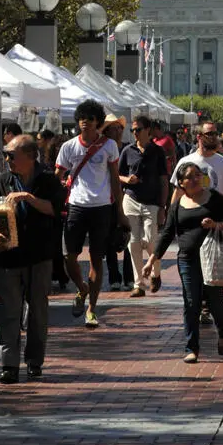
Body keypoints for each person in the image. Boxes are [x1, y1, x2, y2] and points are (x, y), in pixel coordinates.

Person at [0, 134, 64, 383]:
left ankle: (34, 361)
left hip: (39, 256)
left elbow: (54, 209)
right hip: (8, 257)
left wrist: (29, 198)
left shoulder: (48, 180)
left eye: (12, 155)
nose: (7, 159)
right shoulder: (1, 181)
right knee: (8, 311)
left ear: (30, 157)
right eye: (6, 155)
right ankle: (8, 365)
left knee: (37, 311)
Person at [143, 160, 223, 362]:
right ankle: (192, 348)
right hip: (187, 259)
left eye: (198, 175)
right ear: (181, 183)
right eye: (190, 177)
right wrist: (152, 260)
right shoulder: (177, 206)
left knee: (214, 299)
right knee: (191, 302)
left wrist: (215, 224)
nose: (195, 179)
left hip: (212, 258)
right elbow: (166, 234)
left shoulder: (215, 199)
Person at [55, 99, 125, 329]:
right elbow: (57, 175)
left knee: (97, 259)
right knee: (69, 256)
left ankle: (92, 309)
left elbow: (115, 179)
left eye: (90, 119)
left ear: (98, 122)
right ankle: (82, 288)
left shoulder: (109, 146)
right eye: (81, 118)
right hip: (75, 206)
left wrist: (120, 212)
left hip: (102, 208)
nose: (85, 122)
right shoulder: (68, 147)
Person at [119, 114, 170, 298]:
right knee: (133, 242)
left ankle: (156, 273)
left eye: (138, 129)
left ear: (148, 130)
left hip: (152, 202)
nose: (135, 133)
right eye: (133, 130)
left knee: (150, 241)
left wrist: (163, 207)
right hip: (131, 199)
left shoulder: (157, 152)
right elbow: (117, 175)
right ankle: (138, 284)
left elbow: (164, 180)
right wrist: (127, 179)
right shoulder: (127, 151)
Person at [104, 114, 135, 292]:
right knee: (109, 239)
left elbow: (120, 172)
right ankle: (114, 277)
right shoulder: (103, 149)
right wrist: (124, 179)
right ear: (107, 131)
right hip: (107, 200)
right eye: (115, 128)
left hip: (126, 198)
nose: (119, 131)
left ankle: (129, 277)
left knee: (128, 237)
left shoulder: (126, 149)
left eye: (120, 128)